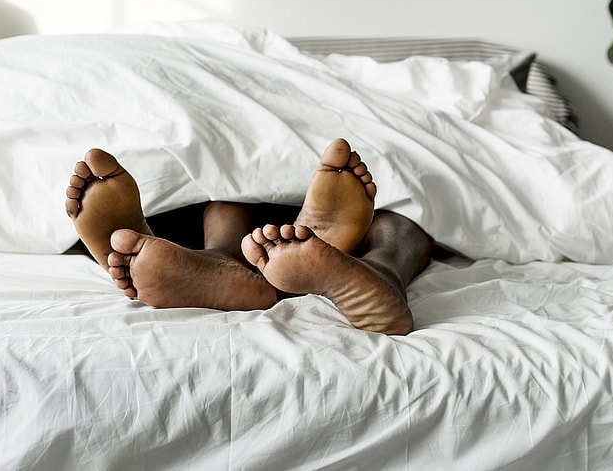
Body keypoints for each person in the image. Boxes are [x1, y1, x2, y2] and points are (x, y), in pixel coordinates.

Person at [64, 138, 433, 336]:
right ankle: (379, 271)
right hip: (359, 204)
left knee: (224, 195)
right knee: (404, 218)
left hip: (210, 211)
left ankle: (225, 258)